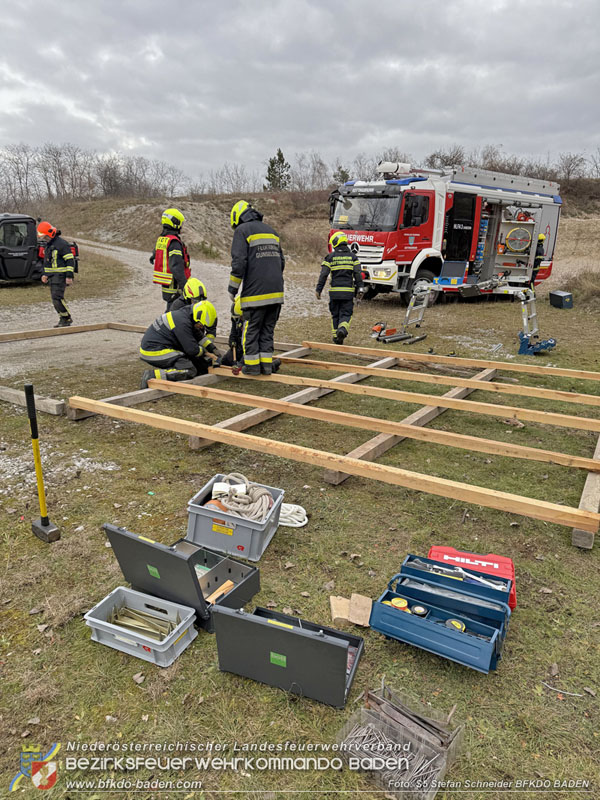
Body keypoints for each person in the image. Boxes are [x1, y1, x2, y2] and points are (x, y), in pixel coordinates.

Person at [228, 200, 284, 375]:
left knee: (251, 329)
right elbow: (281, 262)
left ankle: (252, 367)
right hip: (276, 292)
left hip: (255, 294)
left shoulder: (242, 231)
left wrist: (233, 288)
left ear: (237, 218)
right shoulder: (271, 231)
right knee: (267, 330)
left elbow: (239, 262)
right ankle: (266, 366)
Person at [139, 300, 218, 388]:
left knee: (199, 365)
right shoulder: (183, 323)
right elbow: (192, 350)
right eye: (201, 325)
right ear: (197, 316)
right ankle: (152, 375)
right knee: (189, 370)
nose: (201, 327)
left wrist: (212, 348)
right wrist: (206, 353)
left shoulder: (187, 314)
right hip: (153, 351)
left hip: (159, 346)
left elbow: (198, 336)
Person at [316, 231, 364, 343]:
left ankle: (336, 338)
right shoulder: (353, 257)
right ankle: (342, 329)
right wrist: (360, 288)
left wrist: (318, 289)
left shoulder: (330, 257)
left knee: (335, 314)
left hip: (334, 293)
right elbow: (358, 274)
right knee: (346, 314)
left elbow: (323, 274)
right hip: (348, 292)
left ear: (335, 243)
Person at [37, 221, 76, 327]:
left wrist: (69, 276)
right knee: (55, 299)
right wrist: (45, 274)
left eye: (45, 237)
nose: (43, 239)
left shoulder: (61, 244)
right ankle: (63, 318)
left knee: (57, 298)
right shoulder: (49, 245)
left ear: (50, 234)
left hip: (61, 276)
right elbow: (48, 262)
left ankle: (66, 318)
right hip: (53, 277)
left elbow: (70, 261)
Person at [151, 208, 191, 310]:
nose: (181, 226)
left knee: (171, 306)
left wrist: (153, 256)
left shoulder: (163, 238)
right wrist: (184, 285)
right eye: (180, 223)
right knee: (175, 310)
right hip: (174, 283)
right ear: (175, 222)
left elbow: (156, 253)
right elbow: (176, 266)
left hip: (166, 282)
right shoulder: (174, 242)